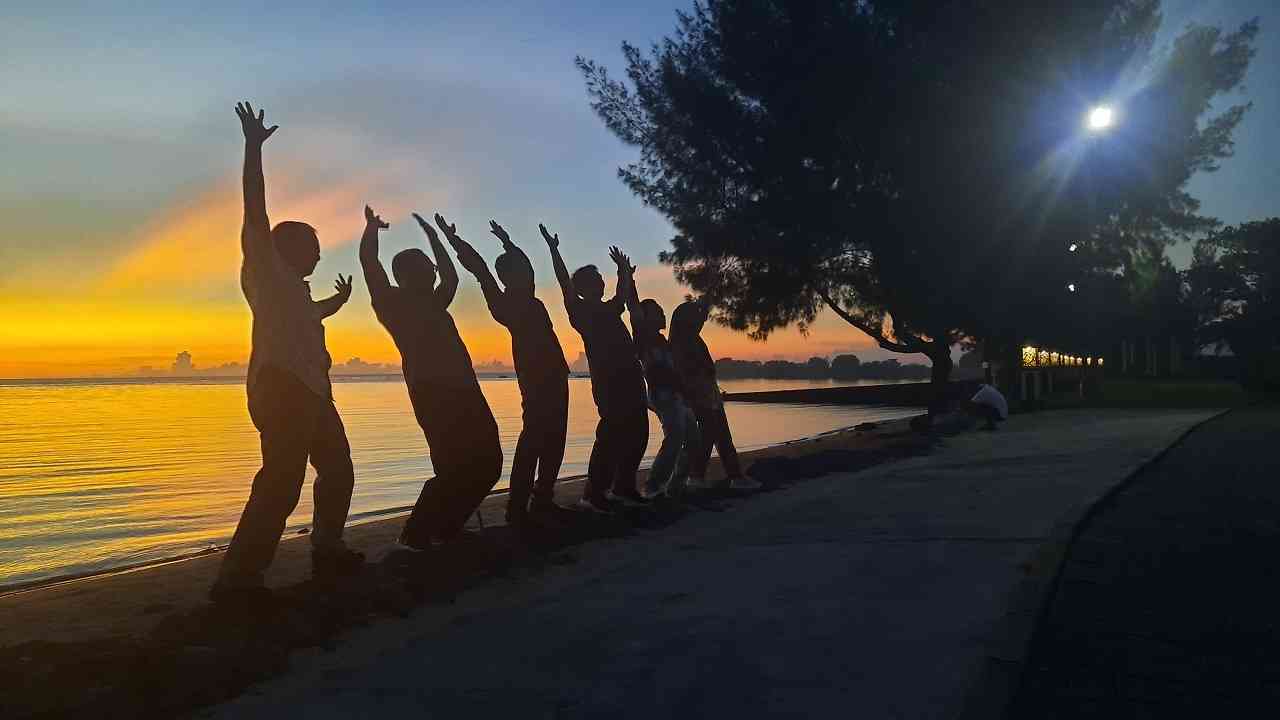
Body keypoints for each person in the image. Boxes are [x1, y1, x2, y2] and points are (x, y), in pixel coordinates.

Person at [212, 102, 364, 604]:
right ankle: (239, 578)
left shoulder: (294, 291)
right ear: (287, 248)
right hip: (281, 389)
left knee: (338, 469)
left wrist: (332, 304)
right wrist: (254, 147)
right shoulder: (265, 268)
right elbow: (254, 207)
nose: (320, 254)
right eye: (314, 246)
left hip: (313, 391)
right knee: (281, 481)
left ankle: (327, 548)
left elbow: (301, 321)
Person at [359, 206, 502, 549]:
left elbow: (451, 276)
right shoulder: (391, 303)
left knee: (489, 463)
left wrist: (436, 238)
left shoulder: (437, 301)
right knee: (453, 466)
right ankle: (417, 533)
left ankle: (446, 526)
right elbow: (371, 266)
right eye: (428, 265)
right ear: (410, 273)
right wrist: (371, 230)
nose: (435, 271)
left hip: (467, 391)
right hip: (433, 394)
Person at [448, 219, 571, 529]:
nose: (525, 273)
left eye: (523, 270)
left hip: (556, 373)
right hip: (534, 376)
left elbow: (525, 263)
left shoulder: (528, 294)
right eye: (517, 271)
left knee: (555, 439)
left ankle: (542, 499)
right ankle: (517, 506)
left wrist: (507, 240)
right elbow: (478, 268)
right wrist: (455, 240)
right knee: (533, 439)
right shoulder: (502, 302)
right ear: (507, 276)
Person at [541, 224, 649, 512]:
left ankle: (624, 486)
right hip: (609, 381)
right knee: (611, 435)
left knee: (638, 432)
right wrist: (554, 250)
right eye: (597, 279)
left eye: (602, 279)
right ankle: (594, 493)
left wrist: (623, 271)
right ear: (585, 288)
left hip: (631, 375)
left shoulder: (610, 308)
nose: (602, 283)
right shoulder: (579, 311)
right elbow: (564, 282)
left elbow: (623, 294)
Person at [670, 300, 762, 491]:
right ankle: (698, 476)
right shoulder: (682, 343)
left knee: (721, 435)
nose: (700, 319)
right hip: (699, 395)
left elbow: (701, 317)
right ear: (686, 319)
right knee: (710, 433)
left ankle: (732, 475)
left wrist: (706, 300)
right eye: (694, 315)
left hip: (709, 394)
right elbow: (687, 373)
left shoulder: (693, 339)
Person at [631, 294, 703, 499]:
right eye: (657, 312)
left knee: (693, 439)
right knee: (675, 437)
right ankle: (654, 485)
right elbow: (634, 310)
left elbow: (673, 370)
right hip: (662, 395)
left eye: (661, 310)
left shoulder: (662, 340)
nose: (663, 313)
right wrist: (627, 277)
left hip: (675, 395)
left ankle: (676, 485)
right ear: (646, 319)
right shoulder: (643, 338)